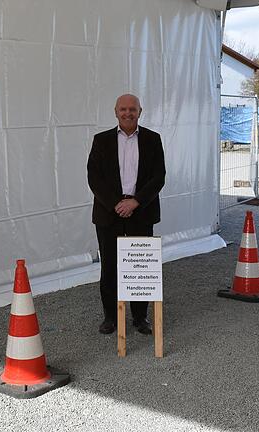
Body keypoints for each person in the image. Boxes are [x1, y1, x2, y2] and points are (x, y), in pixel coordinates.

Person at [86, 94, 166, 335]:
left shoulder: (153, 139)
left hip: (141, 212)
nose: (128, 113)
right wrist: (116, 204)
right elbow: (94, 177)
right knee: (109, 267)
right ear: (115, 111)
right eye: (123, 109)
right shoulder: (101, 140)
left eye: (132, 109)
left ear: (140, 111)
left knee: (139, 267)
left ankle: (140, 318)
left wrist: (135, 202)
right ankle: (110, 317)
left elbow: (159, 176)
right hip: (108, 214)